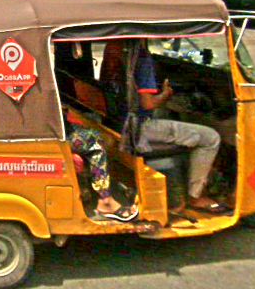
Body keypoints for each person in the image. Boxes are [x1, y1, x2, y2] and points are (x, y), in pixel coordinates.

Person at [102, 40, 229, 215]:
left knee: (172, 120)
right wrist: (166, 94)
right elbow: (148, 104)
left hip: (119, 123)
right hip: (139, 127)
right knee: (211, 137)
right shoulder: (141, 59)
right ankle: (195, 196)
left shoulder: (114, 53)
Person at [65, 107, 138, 223]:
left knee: (105, 136)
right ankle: (105, 200)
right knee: (99, 144)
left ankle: (102, 190)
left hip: (61, 128)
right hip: (55, 134)